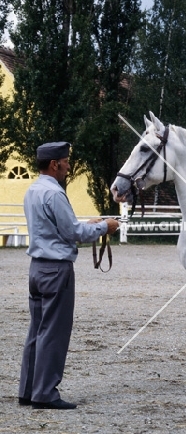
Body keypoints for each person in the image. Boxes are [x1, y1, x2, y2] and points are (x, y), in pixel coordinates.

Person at [18, 142, 119, 410]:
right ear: (55, 164)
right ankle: (46, 393)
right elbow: (73, 234)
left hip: (37, 267)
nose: (68, 165)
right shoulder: (55, 194)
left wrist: (85, 225)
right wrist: (104, 227)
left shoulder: (33, 191)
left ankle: (28, 389)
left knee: (37, 330)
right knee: (54, 332)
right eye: (65, 161)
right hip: (56, 269)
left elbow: (59, 227)